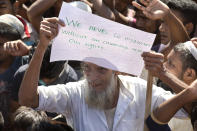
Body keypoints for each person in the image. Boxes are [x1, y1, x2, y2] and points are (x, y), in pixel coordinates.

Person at [19, 1, 190, 131]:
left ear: (117, 69)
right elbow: (28, 99)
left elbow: (189, 108)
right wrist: (42, 46)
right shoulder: (75, 93)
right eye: (87, 68)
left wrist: (168, 16)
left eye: (102, 69)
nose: (92, 77)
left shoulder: (141, 91)